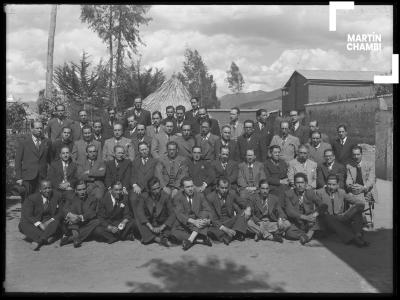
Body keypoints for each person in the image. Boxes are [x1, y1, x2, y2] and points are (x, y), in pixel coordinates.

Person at [316, 174, 369, 247]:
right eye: (329, 184)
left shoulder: (341, 192)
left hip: (341, 218)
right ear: (326, 184)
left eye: (333, 184)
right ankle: (353, 238)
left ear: (338, 185)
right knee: (327, 216)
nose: (331, 186)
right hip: (327, 221)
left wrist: (352, 211)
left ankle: (358, 234)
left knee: (358, 212)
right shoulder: (320, 192)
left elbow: (359, 202)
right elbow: (319, 209)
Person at [170, 177, 213, 250]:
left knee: (204, 213)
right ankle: (200, 240)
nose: (191, 189)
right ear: (182, 188)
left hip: (199, 221)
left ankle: (190, 240)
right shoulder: (178, 197)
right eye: (187, 187)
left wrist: (208, 221)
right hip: (186, 224)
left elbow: (208, 210)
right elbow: (179, 214)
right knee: (174, 233)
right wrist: (194, 222)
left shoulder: (200, 195)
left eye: (192, 186)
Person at [18, 180, 63, 251]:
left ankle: (38, 241)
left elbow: (61, 212)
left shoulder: (57, 196)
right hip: (36, 221)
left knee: (56, 221)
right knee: (23, 224)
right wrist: (39, 224)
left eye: (49, 188)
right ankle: (48, 237)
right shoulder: (31, 198)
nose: (48, 190)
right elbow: (28, 215)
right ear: (40, 190)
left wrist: (48, 222)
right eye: (45, 188)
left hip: (49, 221)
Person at [15, 120, 51, 201]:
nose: (39, 130)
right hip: (28, 177)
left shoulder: (47, 142)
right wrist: (18, 178)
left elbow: (50, 159)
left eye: (41, 128)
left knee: (41, 200)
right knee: (27, 201)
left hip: (42, 176)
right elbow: (17, 161)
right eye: (37, 128)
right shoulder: (24, 143)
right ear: (31, 129)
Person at [207, 177, 250, 245]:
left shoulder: (232, 193)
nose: (224, 190)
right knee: (210, 230)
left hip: (230, 221)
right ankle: (236, 233)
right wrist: (226, 230)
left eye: (226, 188)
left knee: (242, 212)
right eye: (222, 188)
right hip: (219, 223)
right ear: (217, 187)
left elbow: (242, 202)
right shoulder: (210, 197)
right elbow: (213, 218)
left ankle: (230, 236)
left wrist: (248, 208)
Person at [135, 177, 176, 247]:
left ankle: (152, 236)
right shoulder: (143, 196)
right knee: (137, 221)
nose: (157, 191)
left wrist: (162, 227)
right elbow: (140, 213)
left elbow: (172, 213)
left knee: (175, 221)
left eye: (158, 188)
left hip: (162, 224)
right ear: (149, 190)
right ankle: (157, 239)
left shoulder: (165, 196)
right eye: (154, 189)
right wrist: (150, 227)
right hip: (149, 224)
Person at [283, 173, 322, 245]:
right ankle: (308, 235)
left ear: (306, 184)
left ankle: (308, 235)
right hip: (297, 222)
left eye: (302, 183)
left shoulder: (310, 192)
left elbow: (322, 205)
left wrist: (314, 215)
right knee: (289, 234)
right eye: (297, 183)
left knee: (319, 220)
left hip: (310, 222)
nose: (300, 185)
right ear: (294, 184)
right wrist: (306, 217)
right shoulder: (288, 194)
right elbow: (290, 211)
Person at [59, 180, 102, 248]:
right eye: (79, 190)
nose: (82, 192)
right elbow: (64, 209)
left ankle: (71, 238)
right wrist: (70, 215)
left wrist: (79, 217)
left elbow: (91, 212)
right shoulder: (71, 198)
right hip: (71, 224)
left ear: (86, 189)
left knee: (97, 221)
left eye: (83, 189)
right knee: (70, 214)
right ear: (75, 190)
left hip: (84, 223)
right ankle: (75, 235)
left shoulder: (92, 199)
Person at [129, 142, 158, 210]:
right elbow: (132, 176)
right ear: (139, 151)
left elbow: (156, 176)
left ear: (148, 149)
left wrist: (152, 187)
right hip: (137, 187)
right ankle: (138, 219)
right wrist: (135, 185)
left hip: (149, 188)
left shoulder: (154, 161)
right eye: (142, 150)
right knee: (133, 199)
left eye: (145, 149)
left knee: (149, 202)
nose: (144, 151)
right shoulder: (135, 162)